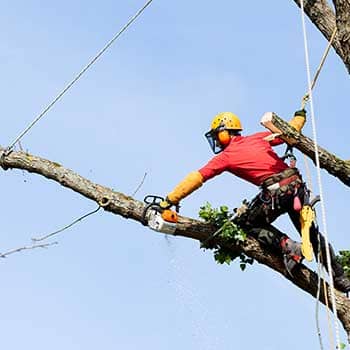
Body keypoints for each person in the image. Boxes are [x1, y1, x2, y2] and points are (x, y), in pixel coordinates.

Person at [160, 111, 350, 293]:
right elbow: (291, 130)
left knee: (247, 222)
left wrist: (170, 199)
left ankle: (288, 247)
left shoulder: (226, 156)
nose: (217, 140)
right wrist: (300, 116)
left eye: (218, 135)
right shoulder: (258, 138)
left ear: (225, 132)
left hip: (277, 193)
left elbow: (197, 177)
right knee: (311, 234)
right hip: (297, 189)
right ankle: (341, 278)